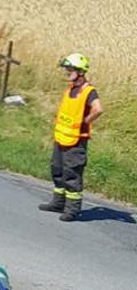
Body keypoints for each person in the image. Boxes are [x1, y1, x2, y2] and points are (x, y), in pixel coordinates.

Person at [39, 52, 102, 222]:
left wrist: (86, 122)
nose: (67, 72)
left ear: (80, 72)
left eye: (70, 69)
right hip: (61, 138)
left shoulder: (88, 91)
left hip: (76, 141)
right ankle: (58, 203)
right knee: (57, 170)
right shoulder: (70, 88)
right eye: (66, 69)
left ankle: (72, 210)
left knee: (72, 174)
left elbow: (98, 109)